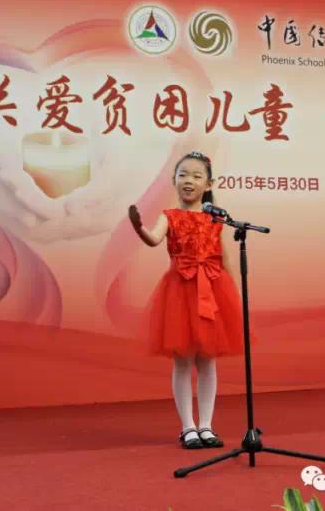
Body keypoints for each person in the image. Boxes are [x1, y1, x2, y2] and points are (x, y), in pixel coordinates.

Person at [128, 151, 244, 449]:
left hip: (213, 290)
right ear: (174, 180)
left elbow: (225, 258)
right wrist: (139, 227)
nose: (188, 180)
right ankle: (188, 427)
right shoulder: (169, 216)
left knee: (208, 361)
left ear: (209, 184)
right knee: (183, 361)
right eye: (182, 175)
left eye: (196, 175)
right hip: (180, 292)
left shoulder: (216, 218)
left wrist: (235, 298)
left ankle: (206, 425)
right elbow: (154, 239)